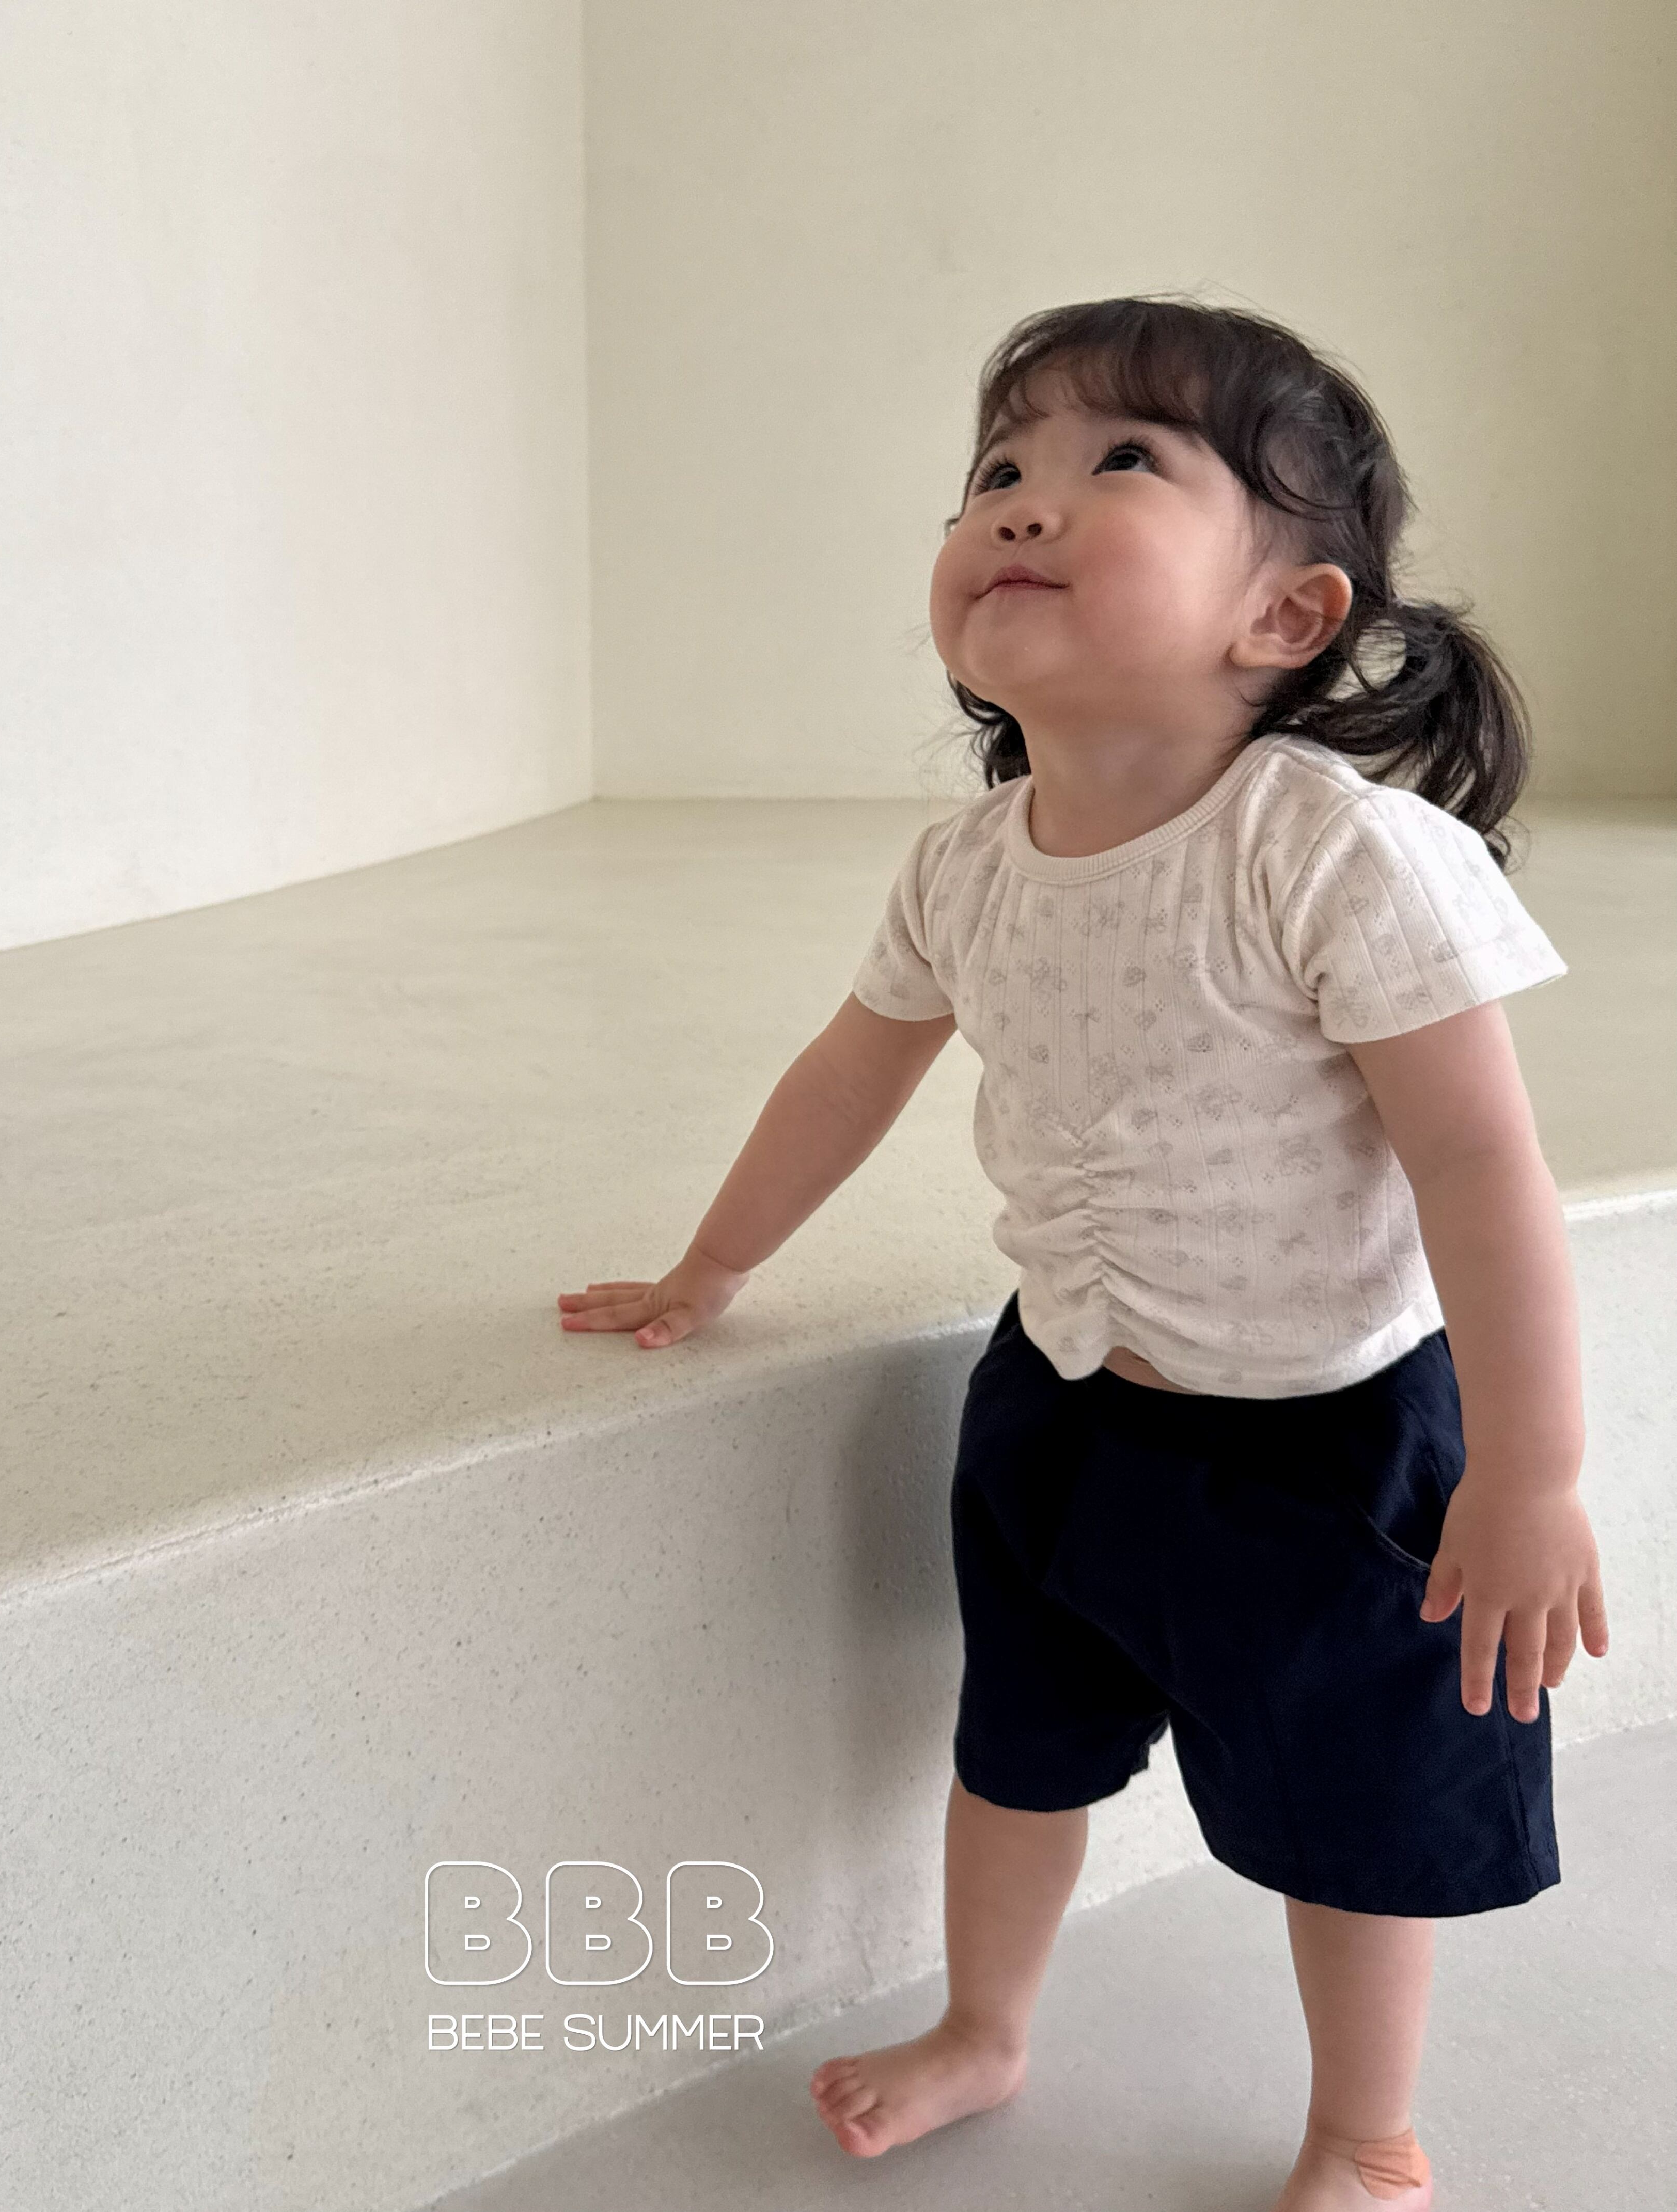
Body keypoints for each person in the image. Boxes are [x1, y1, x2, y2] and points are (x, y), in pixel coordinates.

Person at [556, 295, 1611, 2210]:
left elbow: (1479, 1166)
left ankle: (1363, 2130)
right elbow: (847, 1070)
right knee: (1017, 1745)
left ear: (1283, 612)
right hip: (1058, 1398)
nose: (1023, 503)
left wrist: (1530, 1474)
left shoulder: (1327, 850)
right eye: (997, 469)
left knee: (1350, 1805)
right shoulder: (965, 865)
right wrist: (710, 1264)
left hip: (1319, 1437)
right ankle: (985, 2025)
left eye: (1120, 460)